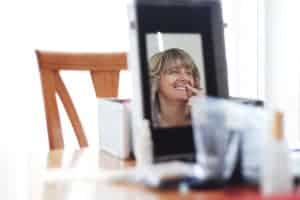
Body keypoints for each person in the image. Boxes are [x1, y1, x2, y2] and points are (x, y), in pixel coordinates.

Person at [149, 48, 203, 127]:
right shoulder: (145, 123)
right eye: (174, 72)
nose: (185, 78)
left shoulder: (205, 119)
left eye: (189, 73)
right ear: (155, 80)